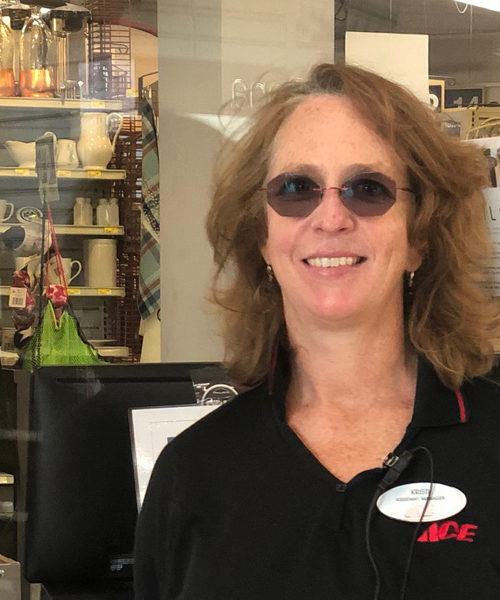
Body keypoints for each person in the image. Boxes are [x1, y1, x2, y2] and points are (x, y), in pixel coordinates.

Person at [134, 63, 500, 599]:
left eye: (368, 189)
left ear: (420, 235)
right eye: (296, 188)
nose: (331, 218)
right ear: (262, 236)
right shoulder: (193, 471)